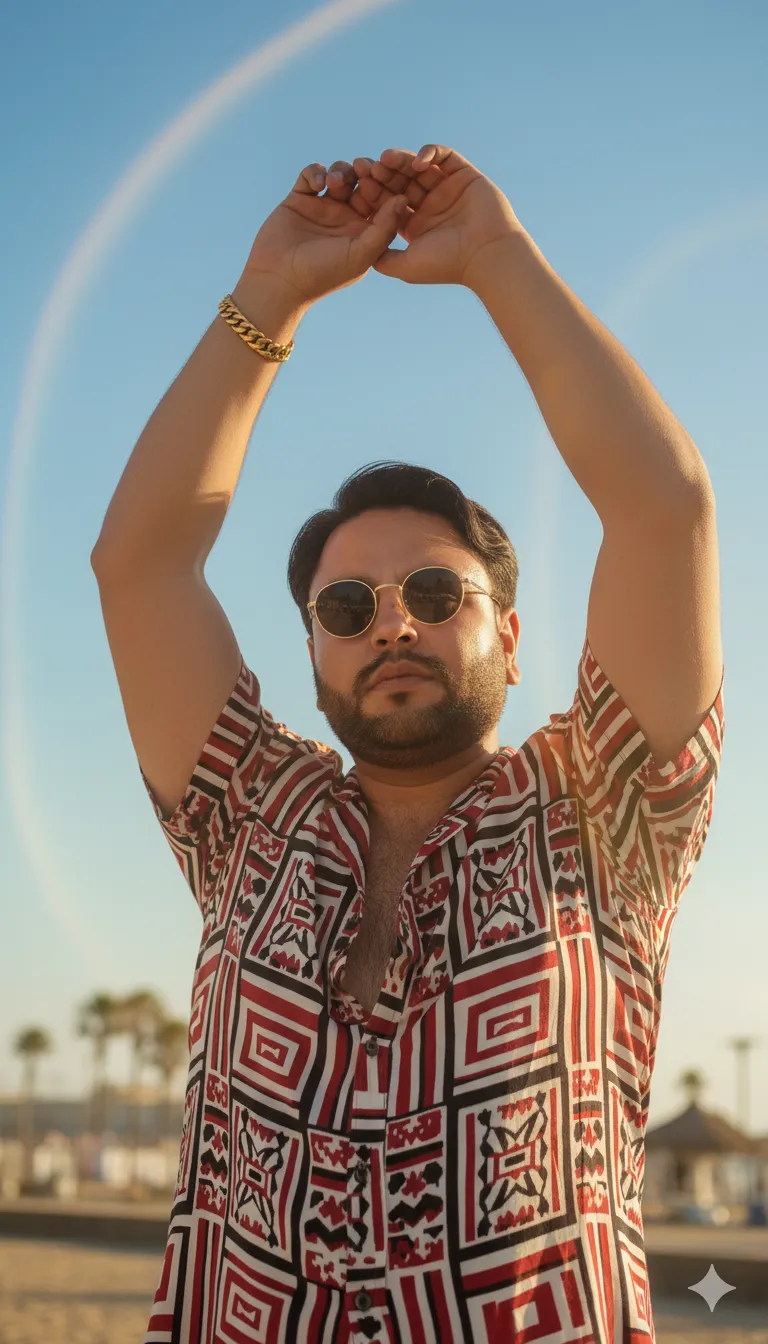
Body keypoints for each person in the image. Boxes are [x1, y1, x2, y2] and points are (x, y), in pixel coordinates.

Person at [91, 144, 724, 1344]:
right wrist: (267, 295)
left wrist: (498, 261)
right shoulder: (247, 816)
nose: (394, 622)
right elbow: (140, 563)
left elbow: (665, 507)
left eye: (437, 593)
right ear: (315, 651)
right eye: (348, 607)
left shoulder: (605, 813)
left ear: (511, 632)